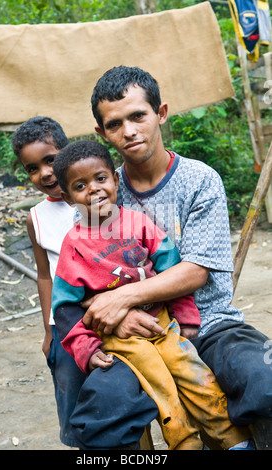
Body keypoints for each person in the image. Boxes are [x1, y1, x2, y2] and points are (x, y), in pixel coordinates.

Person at [74, 65, 272, 449]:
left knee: (264, 379)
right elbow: (79, 279)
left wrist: (122, 296)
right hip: (136, 335)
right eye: (115, 124)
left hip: (210, 325)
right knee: (103, 411)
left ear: (160, 113)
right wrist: (121, 313)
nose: (129, 131)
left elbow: (196, 271)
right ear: (102, 133)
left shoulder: (199, 180)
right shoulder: (97, 192)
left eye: (138, 116)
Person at [51, 139, 253, 450]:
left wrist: (185, 317)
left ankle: (231, 439)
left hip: (162, 322)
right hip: (119, 336)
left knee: (194, 374)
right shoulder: (74, 245)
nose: (94, 190)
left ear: (116, 179)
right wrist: (87, 349)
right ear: (67, 197)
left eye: (101, 179)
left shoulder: (138, 223)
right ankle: (184, 441)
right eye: (80, 186)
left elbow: (171, 269)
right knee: (159, 380)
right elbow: (65, 307)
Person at [11, 117, 88, 448]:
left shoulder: (96, 199)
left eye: (50, 160)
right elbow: (45, 275)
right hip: (66, 326)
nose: (43, 173)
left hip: (106, 314)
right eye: (31, 168)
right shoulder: (36, 218)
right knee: (73, 398)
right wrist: (48, 330)